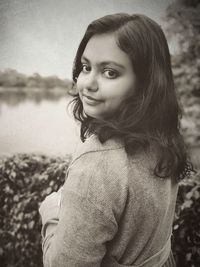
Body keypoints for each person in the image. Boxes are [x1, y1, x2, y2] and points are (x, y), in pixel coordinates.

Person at [39, 13, 192, 267]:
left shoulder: (97, 164)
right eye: (86, 67)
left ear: (144, 84)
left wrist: (52, 214)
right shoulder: (163, 141)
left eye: (110, 72)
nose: (88, 83)